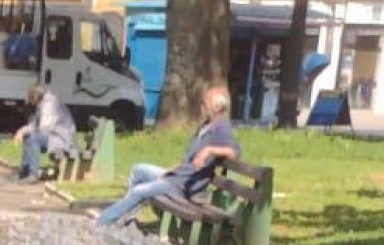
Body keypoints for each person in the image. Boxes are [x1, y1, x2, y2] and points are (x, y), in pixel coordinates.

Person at [97, 85, 240, 227]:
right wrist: (169, 170)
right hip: (176, 177)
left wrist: (209, 150)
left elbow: (234, 152)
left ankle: (102, 222)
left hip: (182, 186)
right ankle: (129, 218)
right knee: (138, 170)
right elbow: (186, 158)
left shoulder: (221, 128)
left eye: (206, 102)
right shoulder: (205, 125)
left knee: (139, 191)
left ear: (217, 107)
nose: (202, 105)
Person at [13, 84, 76, 182]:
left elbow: (45, 126)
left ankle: (33, 174)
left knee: (33, 138)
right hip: (51, 135)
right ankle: (24, 171)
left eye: (32, 99)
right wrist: (21, 131)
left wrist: (25, 131)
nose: (32, 103)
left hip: (61, 138)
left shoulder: (50, 103)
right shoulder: (43, 104)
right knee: (28, 136)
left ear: (36, 96)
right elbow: (35, 124)